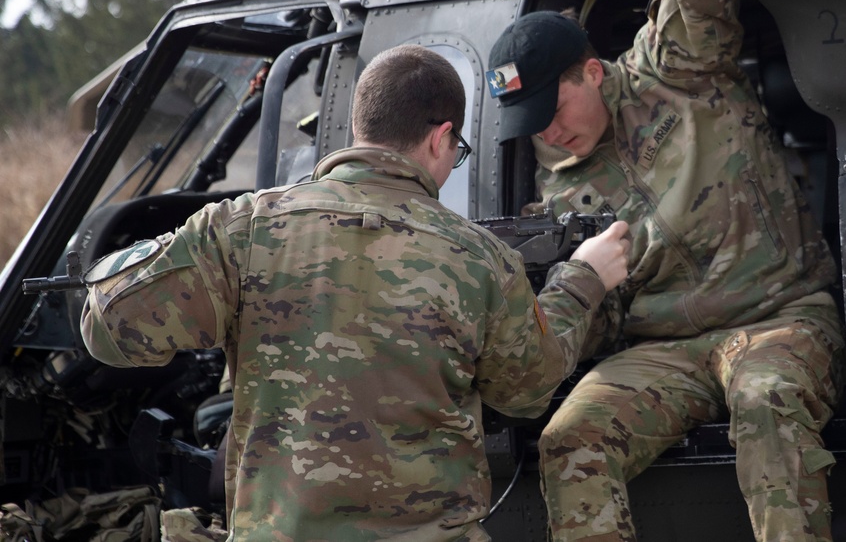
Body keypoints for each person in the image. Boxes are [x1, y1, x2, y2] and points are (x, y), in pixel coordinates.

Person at [80, 44, 630, 541]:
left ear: (358, 127)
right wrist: (582, 279)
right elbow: (527, 389)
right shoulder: (479, 256)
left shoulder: (241, 230)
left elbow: (107, 325)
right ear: (441, 138)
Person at [487, 0, 846, 541]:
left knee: (767, 402)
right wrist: (586, 285)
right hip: (663, 352)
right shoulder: (562, 190)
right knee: (573, 440)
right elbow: (602, 326)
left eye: (553, 109)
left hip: (779, 315)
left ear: (592, 72)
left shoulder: (676, 69)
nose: (547, 133)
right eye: (531, 121)